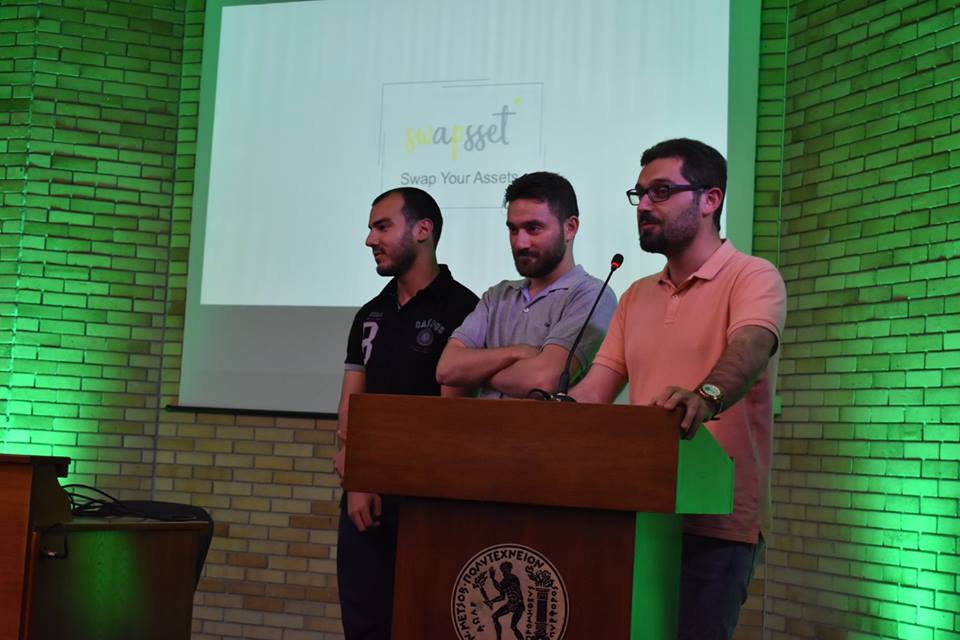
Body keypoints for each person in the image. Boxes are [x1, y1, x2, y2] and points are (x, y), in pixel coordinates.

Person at [569, 138, 787, 639]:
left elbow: (750, 348)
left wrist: (704, 397)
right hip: (640, 516)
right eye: (640, 193)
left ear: (710, 200)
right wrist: (540, 415)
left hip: (716, 526)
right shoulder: (635, 294)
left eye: (662, 192)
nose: (644, 205)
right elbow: (594, 390)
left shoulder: (753, 276)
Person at [334, 187, 478, 640]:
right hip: (365, 500)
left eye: (382, 227)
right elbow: (350, 406)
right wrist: (357, 479)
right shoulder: (370, 313)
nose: (369, 239)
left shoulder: (464, 309)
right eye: (370, 228)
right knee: (364, 626)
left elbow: (451, 420)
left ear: (422, 230)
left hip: (429, 505)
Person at [436, 171, 616, 397]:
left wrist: (474, 374)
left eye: (533, 228)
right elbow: (447, 369)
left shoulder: (591, 294)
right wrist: (517, 352)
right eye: (513, 229)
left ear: (570, 228)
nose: (520, 243)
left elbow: (543, 380)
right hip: (480, 422)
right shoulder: (497, 295)